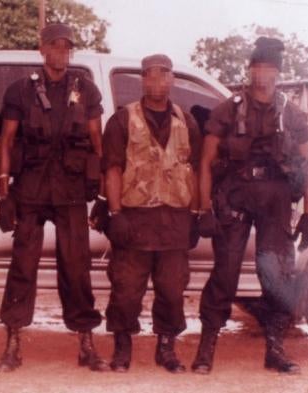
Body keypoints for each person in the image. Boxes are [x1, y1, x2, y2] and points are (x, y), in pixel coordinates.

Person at [192, 36, 308, 375]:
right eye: (256, 68)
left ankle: (275, 349)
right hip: (236, 197)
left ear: (277, 72)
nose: (262, 75)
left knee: (276, 275)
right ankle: (207, 346)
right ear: (250, 71)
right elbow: (205, 161)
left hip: (276, 202)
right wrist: (203, 209)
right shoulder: (229, 109)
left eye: (269, 69)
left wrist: (307, 213)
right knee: (225, 274)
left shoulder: (290, 114)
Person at [0, 23, 108, 372]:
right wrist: (4, 191)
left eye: (66, 47)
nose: (61, 52)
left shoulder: (85, 89)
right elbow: (6, 141)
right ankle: (13, 344)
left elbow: (96, 140)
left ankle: (86, 343)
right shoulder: (20, 91)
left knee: (76, 267)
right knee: (22, 266)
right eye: (54, 46)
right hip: (30, 187)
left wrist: (101, 192)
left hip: (71, 189)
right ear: (42, 49)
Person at [102, 54, 202, 373]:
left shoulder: (186, 121)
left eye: (164, 75)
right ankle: (122, 347)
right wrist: (115, 213)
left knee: (172, 289)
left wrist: (197, 213)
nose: (157, 81)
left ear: (172, 79)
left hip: (174, 221)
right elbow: (113, 169)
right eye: (151, 75)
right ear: (142, 80)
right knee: (126, 289)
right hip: (135, 220)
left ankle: (166, 347)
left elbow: (196, 169)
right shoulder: (122, 120)